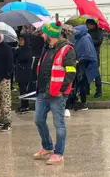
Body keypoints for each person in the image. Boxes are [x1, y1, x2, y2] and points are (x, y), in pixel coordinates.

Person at [33, 21, 77, 165]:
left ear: (50, 34)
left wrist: (62, 90)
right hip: (43, 91)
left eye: (43, 33)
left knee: (59, 124)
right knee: (38, 119)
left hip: (57, 93)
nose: (42, 35)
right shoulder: (47, 48)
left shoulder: (67, 50)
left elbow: (71, 72)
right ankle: (47, 147)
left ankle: (59, 154)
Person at [73, 25, 99, 111]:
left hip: (86, 65)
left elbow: (88, 53)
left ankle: (84, 103)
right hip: (82, 64)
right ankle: (80, 101)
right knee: (79, 84)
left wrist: (79, 60)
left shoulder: (84, 39)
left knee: (82, 84)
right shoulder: (81, 37)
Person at [15, 34, 33, 114]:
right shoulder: (19, 49)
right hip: (20, 72)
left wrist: (18, 51)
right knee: (21, 89)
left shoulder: (28, 49)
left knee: (25, 90)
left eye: (22, 40)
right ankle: (23, 105)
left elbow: (24, 58)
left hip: (26, 72)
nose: (20, 41)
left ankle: (25, 105)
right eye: (20, 40)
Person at [86, 19, 104, 98]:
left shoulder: (99, 31)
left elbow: (99, 41)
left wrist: (89, 40)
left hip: (95, 54)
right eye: (87, 25)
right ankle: (86, 89)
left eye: (89, 25)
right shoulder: (88, 32)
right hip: (87, 54)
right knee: (85, 72)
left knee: (96, 73)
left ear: (93, 24)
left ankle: (99, 91)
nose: (88, 26)